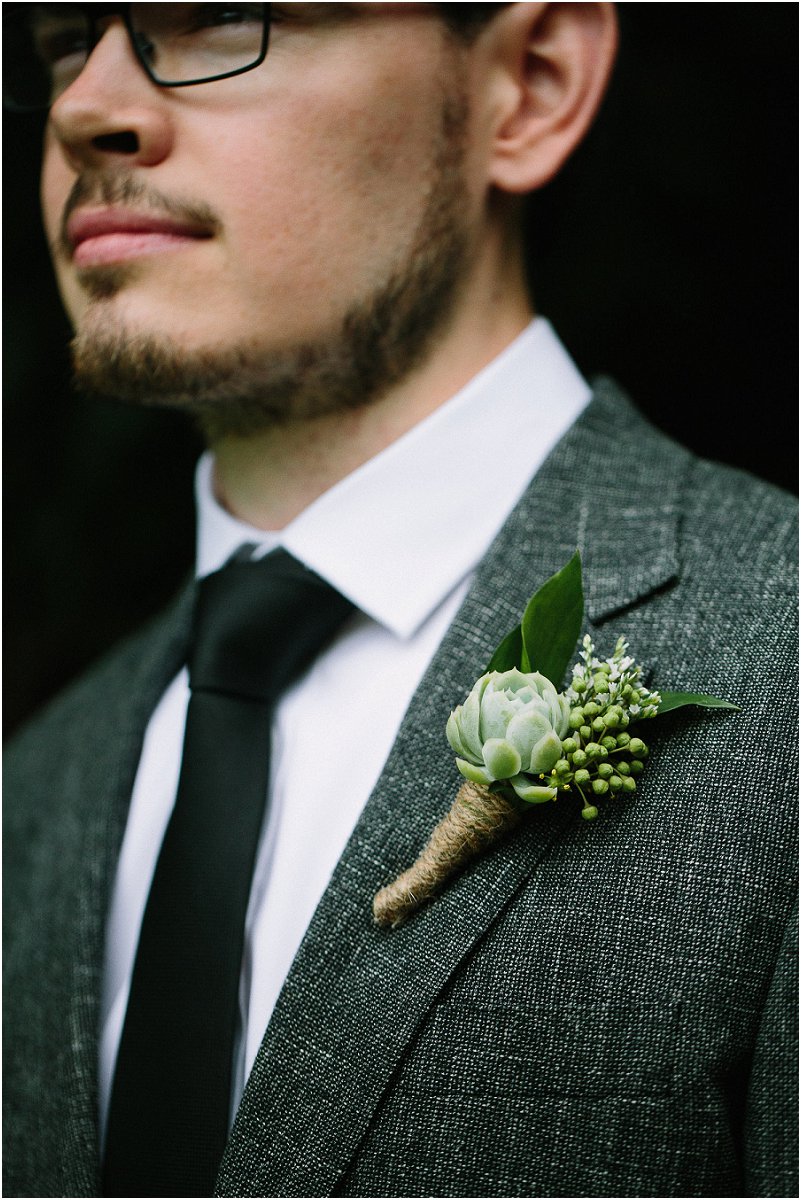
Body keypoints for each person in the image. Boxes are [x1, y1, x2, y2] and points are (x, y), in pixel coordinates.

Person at [3, 3, 796, 1197]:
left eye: (221, 16)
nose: (85, 105)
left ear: (530, 85)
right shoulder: (31, 791)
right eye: (65, 36)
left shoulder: (782, 649)